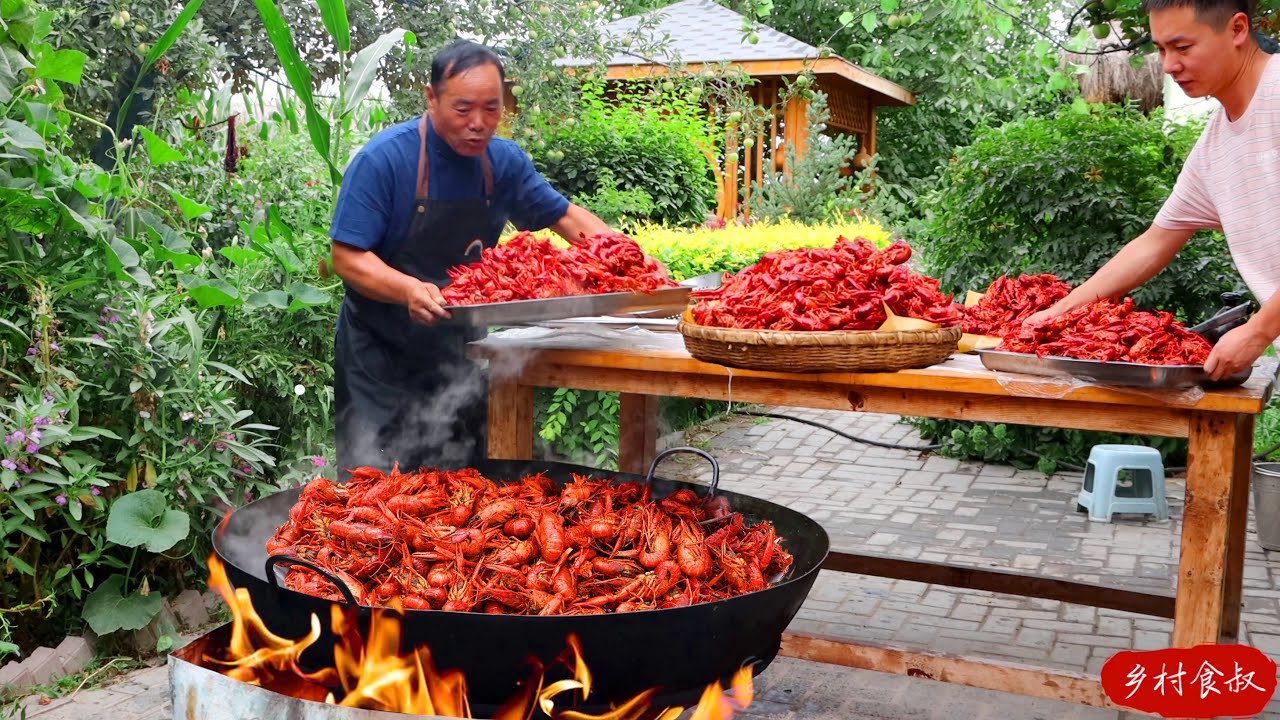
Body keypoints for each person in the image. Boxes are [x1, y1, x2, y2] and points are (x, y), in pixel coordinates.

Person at [328, 39, 612, 476]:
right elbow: (347, 257)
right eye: (463, 109)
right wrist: (407, 288)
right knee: (376, 484)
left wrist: (629, 259)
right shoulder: (384, 160)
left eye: (491, 109)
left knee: (470, 479)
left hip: (460, 350)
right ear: (431, 98)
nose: (478, 124)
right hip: (379, 357)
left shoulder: (504, 163)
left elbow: (566, 217)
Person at [1024, 0, 1278, 380]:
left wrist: (1259, 330)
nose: (1168, 65)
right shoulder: (1215, 144)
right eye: (1160, 49)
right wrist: (1062, 311)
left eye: (1183, 47)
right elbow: (1155, 242)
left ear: (1238, 29)